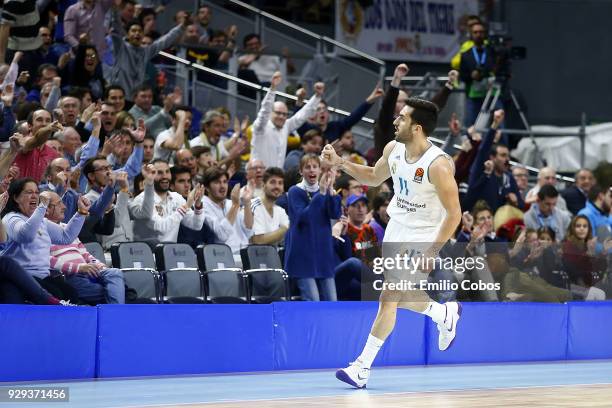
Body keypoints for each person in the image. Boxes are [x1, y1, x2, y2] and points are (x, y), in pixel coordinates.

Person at [321, 97, 462, 388]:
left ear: (418, 128)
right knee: (398, 296)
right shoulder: (393, 148)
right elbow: (374, 177)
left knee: (388, 296)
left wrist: (433, 250)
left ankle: (361, 367)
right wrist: (339, 163)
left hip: (423, 233)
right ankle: (443, 312)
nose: (396, 121)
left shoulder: (438, 166)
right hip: (397, 227)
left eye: (403, 118)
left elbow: (454, 214)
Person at [1, 178, 90, 303]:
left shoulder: (41, 220)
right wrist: (42, 207)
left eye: (37, 193)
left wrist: (81, 212)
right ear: (16, 198)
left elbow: (66, 236)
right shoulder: (10, 218)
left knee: (71, 293)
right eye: (29, 192)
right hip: (23, 277)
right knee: (58, 296)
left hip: (44, 276)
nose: (34, 196)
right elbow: (26, 235)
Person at [284, 154, 341, 301]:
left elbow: (335, 213)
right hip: (303, 256)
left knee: (332, 302)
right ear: (301, 171)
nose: (312, 170)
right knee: (313, 302)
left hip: (323, 255)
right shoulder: (295, 192)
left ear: (320, 170)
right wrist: (321, 193)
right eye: (307, 167)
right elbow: (304, 217)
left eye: (315, 166)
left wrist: (331, 191)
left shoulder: (323, 190)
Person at [250, 71, 323, 168]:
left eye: (284, 114)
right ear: (271, 113)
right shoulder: (260, 127)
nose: (281, 117)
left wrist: (317, 96)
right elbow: (264, 111)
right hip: (257, 176)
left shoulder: (286, 126)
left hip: (277, 179)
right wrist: (272, 89)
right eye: (278, 113)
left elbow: (301, 116)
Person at [250, 167, 289, 247]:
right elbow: (258, 240)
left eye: (280, 183)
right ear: (263, 185)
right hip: (248, 257)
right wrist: (283, 230)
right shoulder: (254, 206)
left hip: (271, 256)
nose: (277, 186)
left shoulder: (280, 211)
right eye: (273, 182)